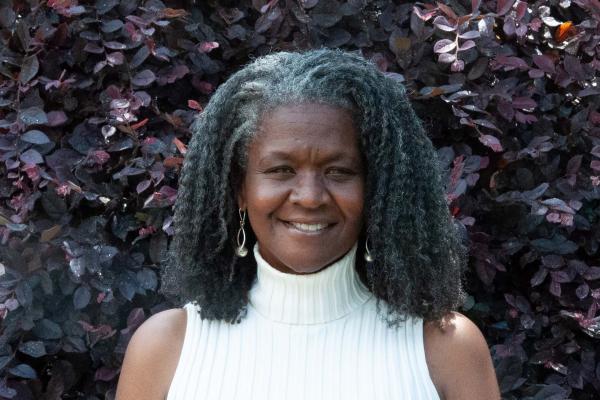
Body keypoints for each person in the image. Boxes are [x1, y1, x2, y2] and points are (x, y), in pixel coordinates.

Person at [115, 49, 500, 400]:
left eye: (339, 170)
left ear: (376, 190)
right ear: (240, 190)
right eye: (281, 170)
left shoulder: (446, 350)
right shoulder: (166, 350)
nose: (310, 197)